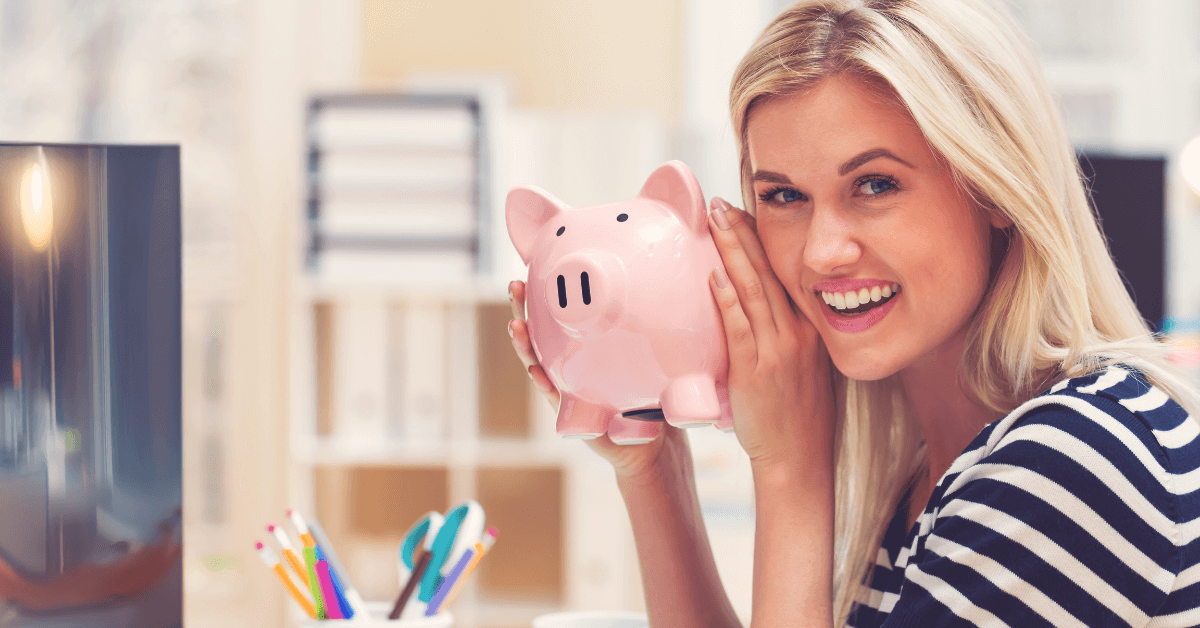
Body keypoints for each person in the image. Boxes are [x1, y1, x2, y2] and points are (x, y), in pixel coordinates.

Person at [509, 0, 1200, 625]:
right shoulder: (935, 470)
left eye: (874, 184)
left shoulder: (1071, 461)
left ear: (994, 187)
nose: (821, 252)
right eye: (782, 196)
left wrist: (789, 468)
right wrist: (651, 466)